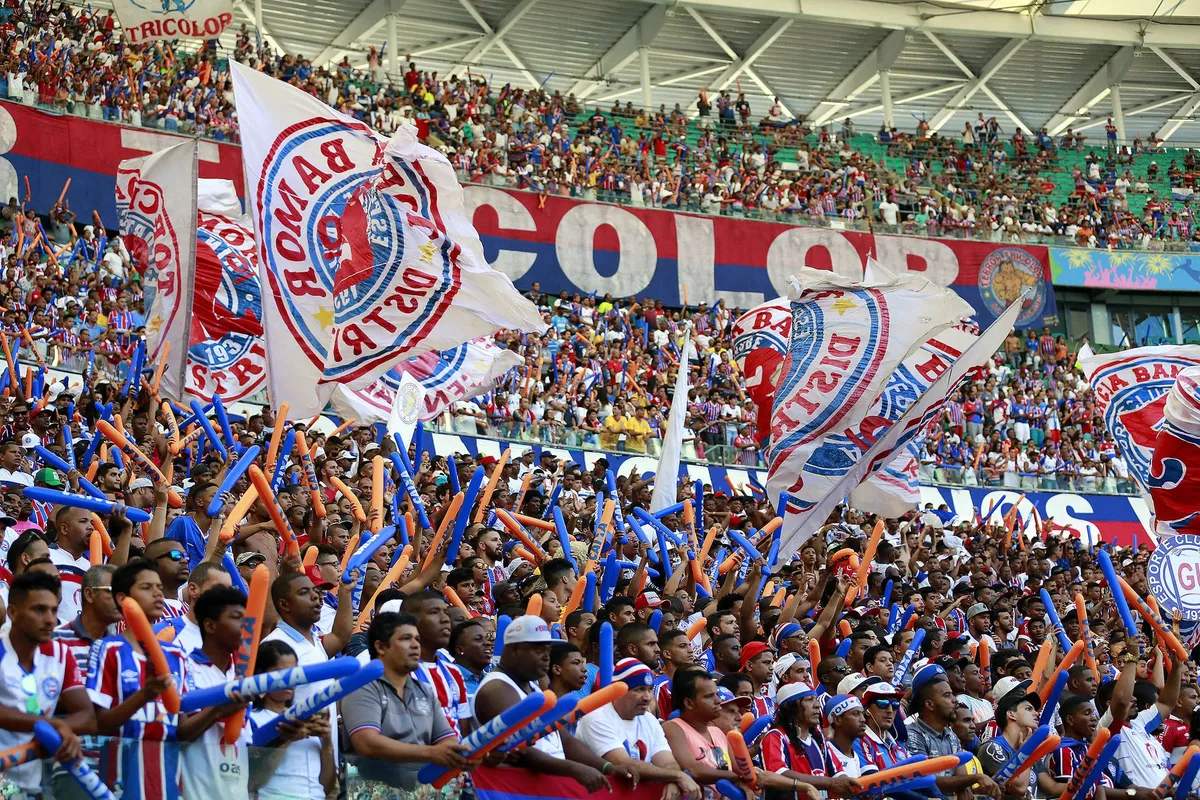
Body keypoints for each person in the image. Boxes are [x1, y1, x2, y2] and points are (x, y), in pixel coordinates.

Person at [474, 615, 631, 791]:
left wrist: (608, 767)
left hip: (543, 788)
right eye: (538, 650)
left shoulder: (532, 687)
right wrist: (575, 769)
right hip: (513, 792)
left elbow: (565, 740)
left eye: (547, 650)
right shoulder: (496, 689)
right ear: (515, 649)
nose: (546, 657)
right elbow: (521, 751)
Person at [87, 557, 193, 799]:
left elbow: (184, 726)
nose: (157, 594)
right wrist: (145, 695)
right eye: (146, 588)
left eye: (158, 587)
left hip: (171, 781)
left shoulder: (177, 654)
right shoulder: (108, 649)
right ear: (124, 599)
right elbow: (100, 724)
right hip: (121, 781)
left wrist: (223, 707)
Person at [342, 610, 475, 790]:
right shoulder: (362, 686)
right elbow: (367, 743)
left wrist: (463, 753)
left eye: (417, 640)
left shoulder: (425, 691)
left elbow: (448, 739)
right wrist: (432, 753)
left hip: (425, 790)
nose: (415, 646)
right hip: (375, 791)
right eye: (406, 639)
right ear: (381, 646)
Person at [0, 572, 94, 798]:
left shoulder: (61, 654)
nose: (51, 619)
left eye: (54, 610)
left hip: (34, 786)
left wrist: (64, 730)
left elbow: (87, 716)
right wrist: (49, 725)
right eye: (39, 610)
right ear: (12, 612)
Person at [576, 657, 702, 799]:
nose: (647, 697)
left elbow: (668, 762)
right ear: (619, 691)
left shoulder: (648, 719)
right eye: (639, 690)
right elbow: (624, 763)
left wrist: (672, 781)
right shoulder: (596, 718)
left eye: (649, 690)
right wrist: (677, 776)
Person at [180, 585, 254, 799]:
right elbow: (179, 733)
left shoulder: (244, 676)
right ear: (210, 625)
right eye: (236, 618)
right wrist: (219, 710)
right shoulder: (185, 668)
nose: (246, 627)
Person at [247, 639, 337, 798]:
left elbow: (326, 787)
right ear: (262, 675)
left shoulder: (308, 719)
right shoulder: (251, 720)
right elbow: (252, 782)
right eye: (283, 674)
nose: (291, 681)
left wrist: (327, 744)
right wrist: (286, 739)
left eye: (295, 674)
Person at [905, 665, 1001, 798]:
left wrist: (980, 788)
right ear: (929, 704)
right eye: (947, 695)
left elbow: (961, 778)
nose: (955, 699)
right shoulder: (913, 735)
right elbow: (928, 782)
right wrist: (975, 778)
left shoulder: (951, 735)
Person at [761, 682, 861, 797]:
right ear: (789, 707)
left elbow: (838, 773)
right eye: (809, 700)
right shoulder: (775, 736)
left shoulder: (818, 738)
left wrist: (846, 783)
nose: (817, 705)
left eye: (816, 699)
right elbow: (779, 774)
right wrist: (829, 783)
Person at [977, 678, 1041, 799]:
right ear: (1011, 714)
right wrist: (1025, 753)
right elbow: (1019, 789)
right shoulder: (992, 748)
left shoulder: (1031, 748)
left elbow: (1052, 787)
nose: (1036, 713)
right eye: (1028, 709)